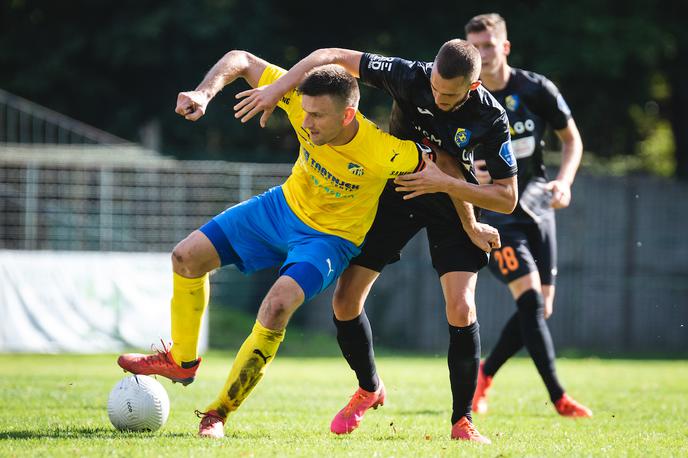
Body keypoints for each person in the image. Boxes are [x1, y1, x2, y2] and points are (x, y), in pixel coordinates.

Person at [117, 50, 486, 439]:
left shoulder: (382, 150)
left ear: (347, 115)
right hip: (280, 209)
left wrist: (472, 223)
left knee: (276, 305)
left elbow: (444, 164)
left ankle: (218, 414)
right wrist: (205, 93)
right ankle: (182, 360)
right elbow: (240, 59)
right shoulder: (298, 101)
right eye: (304, 112)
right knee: (185, 257)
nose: (305, 122)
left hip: (329, 241)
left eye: (317, 116)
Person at [233, 39, 518, 443]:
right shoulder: (409, 74)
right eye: (434, 87)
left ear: (472, 88)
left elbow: (507, 197)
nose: (437, 97)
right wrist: (280, 88)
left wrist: (457, 203)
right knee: (345, 301)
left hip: (454, 200)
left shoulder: (490, 116)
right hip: (397, 188)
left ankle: (462, 421)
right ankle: (369, 388)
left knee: (461, 305)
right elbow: (328, 56)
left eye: (449, 95)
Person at [464, 13, 592, 417]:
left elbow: (572, 140)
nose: (481, 55)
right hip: (498, 209)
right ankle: (559, 397)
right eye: (474, 48)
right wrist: (471, 169)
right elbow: (446, 148)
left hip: (537, 203)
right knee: (532, 302)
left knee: (539, 309)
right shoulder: (465, 94)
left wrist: (565, 182)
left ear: (504, 47)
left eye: (487, 46)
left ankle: (483, 375)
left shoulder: (536, 89)